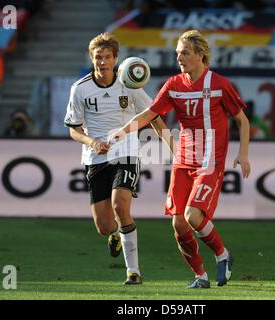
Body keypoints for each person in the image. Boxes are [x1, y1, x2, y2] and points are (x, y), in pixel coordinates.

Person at [109, 30, 251, 288]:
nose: (180, 58)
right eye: (177, 53)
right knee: (179, 223)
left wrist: (243, 154)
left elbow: (242, 120)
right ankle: (200, 276)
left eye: (185, 53)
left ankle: (223, 255)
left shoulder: (219, 84)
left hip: (210, 160)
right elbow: (150, 114)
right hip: (183, 160)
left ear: (200, 55)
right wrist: (121, 132)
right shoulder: (174, 84)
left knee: (193, 216)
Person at [64, 33, 172, 285]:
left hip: (126, 151)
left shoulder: (129, 85)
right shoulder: (80, 89)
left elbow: (153, 115)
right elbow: (73, 128)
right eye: (98, 57)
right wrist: (92, 142)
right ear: (92, 59)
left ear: (115, 59)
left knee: (120, 205)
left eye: (107, 57)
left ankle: (133, 272)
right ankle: (115, 235)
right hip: (95, 157)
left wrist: (171, 145)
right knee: (104, 226)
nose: (102, 62)